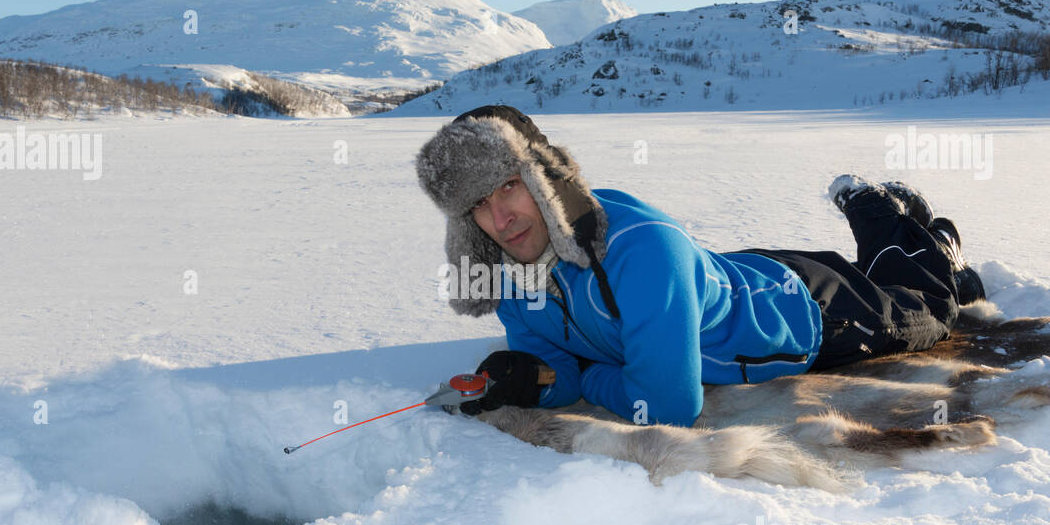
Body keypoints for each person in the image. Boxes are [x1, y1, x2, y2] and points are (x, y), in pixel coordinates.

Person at [415, 104, 985, 426]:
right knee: (882, 278)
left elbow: (666, 404)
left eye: (508, 186)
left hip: (802, 313)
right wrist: (530, 381)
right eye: (479, 205)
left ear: (543, 180)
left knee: (931, 311)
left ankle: (904, 226)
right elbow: (558, 369)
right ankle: (891, 222)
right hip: (729, 275)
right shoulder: (511, 274)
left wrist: (589, 376)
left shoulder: (639, 250)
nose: (501, 217)